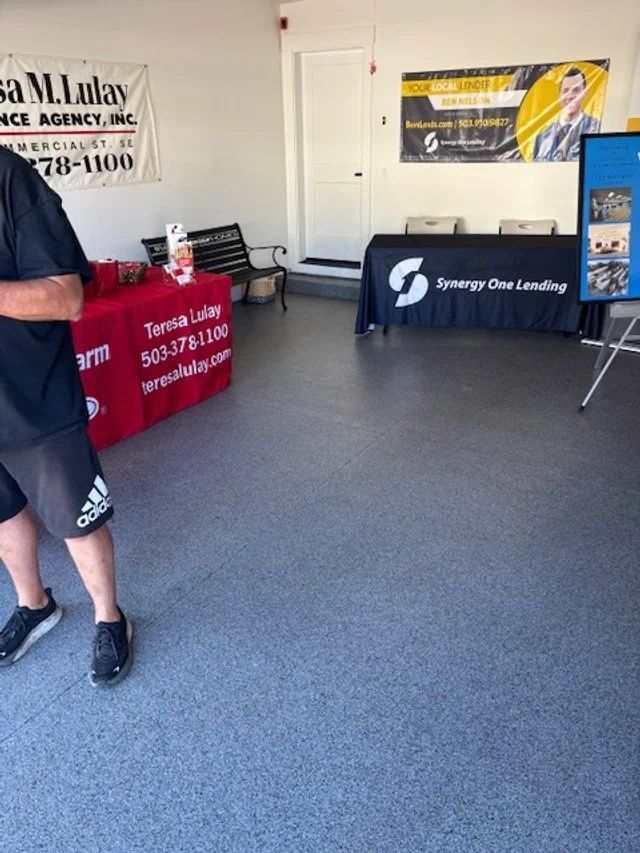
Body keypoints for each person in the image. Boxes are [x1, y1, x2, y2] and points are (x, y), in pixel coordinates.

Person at [0, 146, 132, 687]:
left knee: (77, 519)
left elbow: (65, 297)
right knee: (4, 513)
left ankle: (111, 618)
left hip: (34, 398)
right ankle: (34, 606)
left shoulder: (11, 179)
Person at [533, 67, 601, 162]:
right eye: (565, 91)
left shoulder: (597, 130)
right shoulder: (542, 138)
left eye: (576, 90)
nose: (570, 96)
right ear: (559, 95)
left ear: (585, 93)